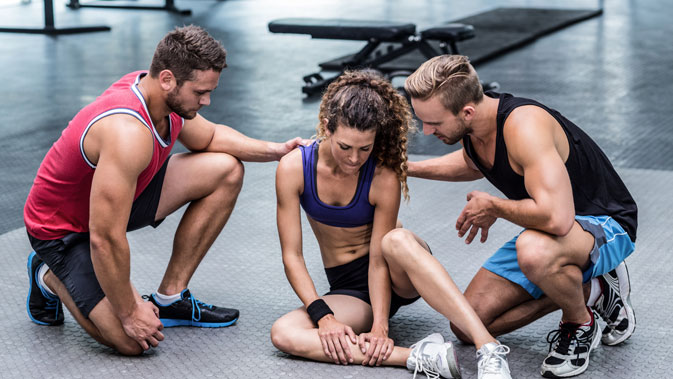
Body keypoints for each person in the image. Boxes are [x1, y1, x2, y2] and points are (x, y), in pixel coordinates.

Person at [24, 25, 307, 355]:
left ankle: (170, 298)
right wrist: (130, 311)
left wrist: (277, 150)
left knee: (225, 169)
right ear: (168, 79)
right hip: (63, 231)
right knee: (133, 341)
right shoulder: (128, 132)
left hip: (112, 203)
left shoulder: (161, 95)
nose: (207, 100)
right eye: (200, 92)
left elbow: (210, 138)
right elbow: (105, 237)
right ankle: (48, 275)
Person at [397, 54, 637, 378]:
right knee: (468, 325)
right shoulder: (475, 130)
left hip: (605, 223)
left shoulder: (524, 126)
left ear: (466, 111)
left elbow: (558, 219)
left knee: (533, 251)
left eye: (434, 123)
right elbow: (472, 162)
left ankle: (579, 322)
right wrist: (403, 168)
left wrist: (494, 206)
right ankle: (594, 291)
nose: (426, 131)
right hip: (548, 231)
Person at [270, 70, 511, 379]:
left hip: (397, 268)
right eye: (345, 147)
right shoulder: (294, 168)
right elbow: (292, 255)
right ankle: (419, 356)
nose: (355, 158)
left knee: (393, 241)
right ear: (327, 128)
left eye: (365, 148)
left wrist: (380, 327)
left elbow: (377, 259)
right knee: (284, 334)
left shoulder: (382, 175)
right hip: (350, 289)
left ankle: (488, 347)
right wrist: (324, 316)